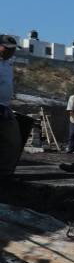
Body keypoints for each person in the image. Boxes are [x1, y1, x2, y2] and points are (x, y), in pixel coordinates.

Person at [0, 35, 22, 177]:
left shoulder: (9, 64)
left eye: (13, 50)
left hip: (5, 108)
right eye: (8, 49)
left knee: (14, 142)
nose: (11, 52)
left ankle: (5, 173)